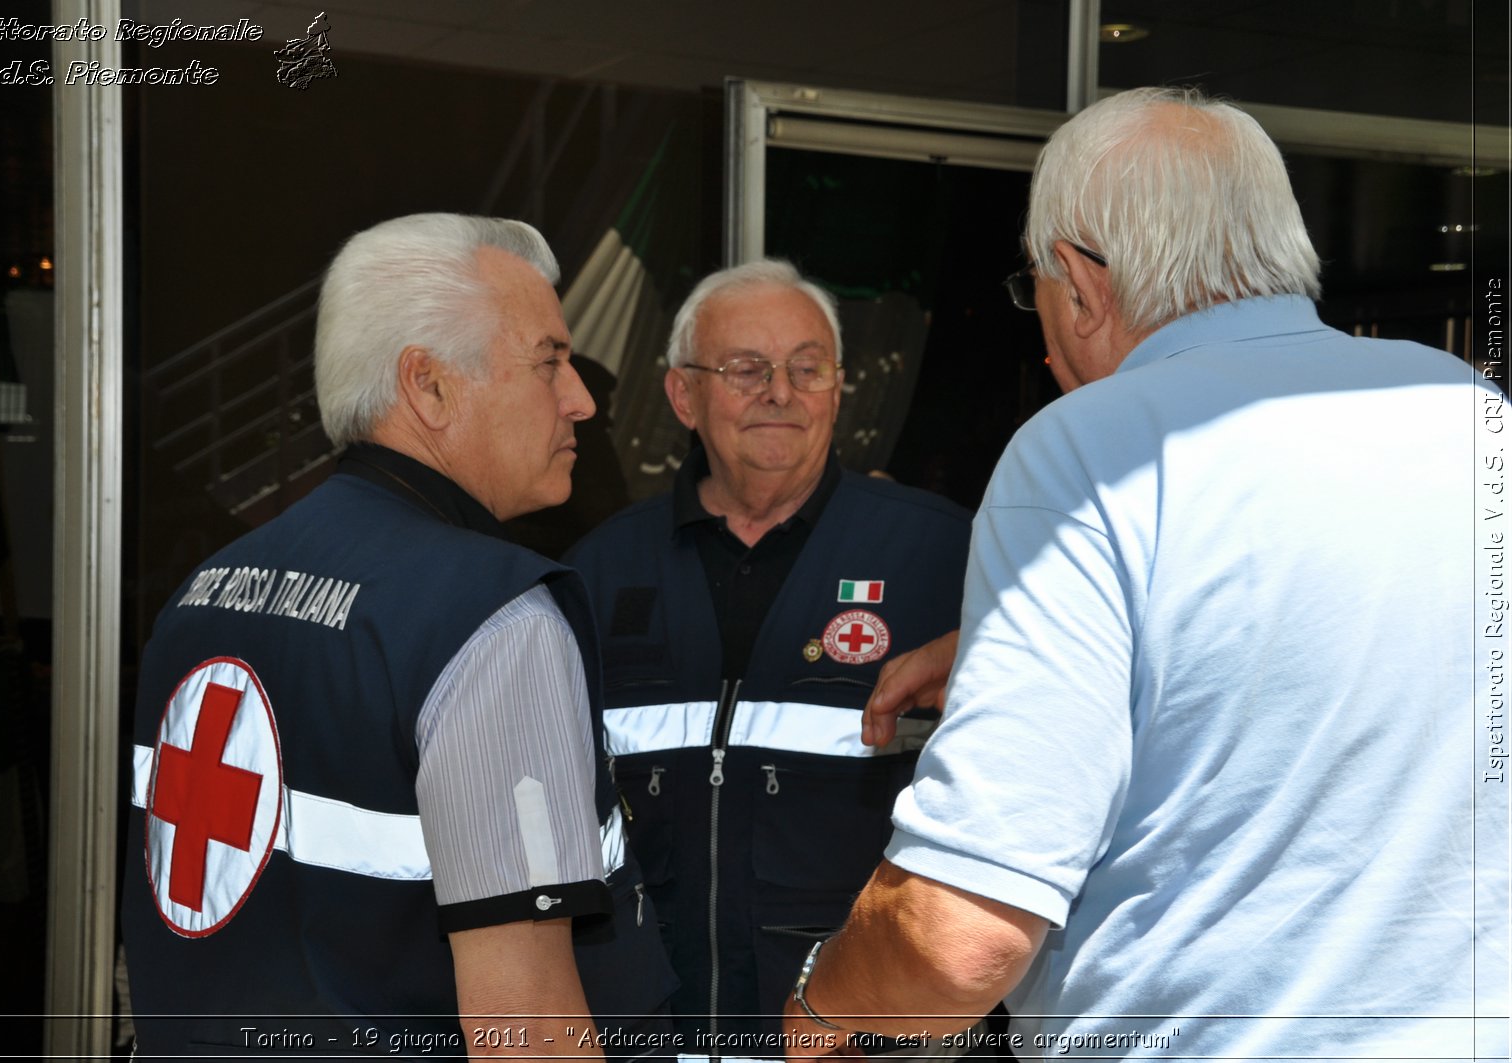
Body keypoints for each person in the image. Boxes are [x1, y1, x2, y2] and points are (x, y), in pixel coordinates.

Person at [783, 87, 1508, 1061]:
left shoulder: (1091, 447)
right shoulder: (1468, 410)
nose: (1039, 337)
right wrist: (1052, 653)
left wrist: (819, 1004)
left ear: (1081, 283)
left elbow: (959, 942)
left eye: (1028, 290)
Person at [121, 214, 677, 1058]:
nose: (583, 399)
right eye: (549, 360)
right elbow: (525, 1032)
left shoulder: (202, 595)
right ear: (429, 385)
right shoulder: (494, 620)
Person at [564, 260, 972, 1045]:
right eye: (746, 369)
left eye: (807, 367)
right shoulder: (599, 572)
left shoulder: (945, 555)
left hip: (853, 1037)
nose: (780, 392)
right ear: (683, 395)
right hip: (649, 1030)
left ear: (838, 387)